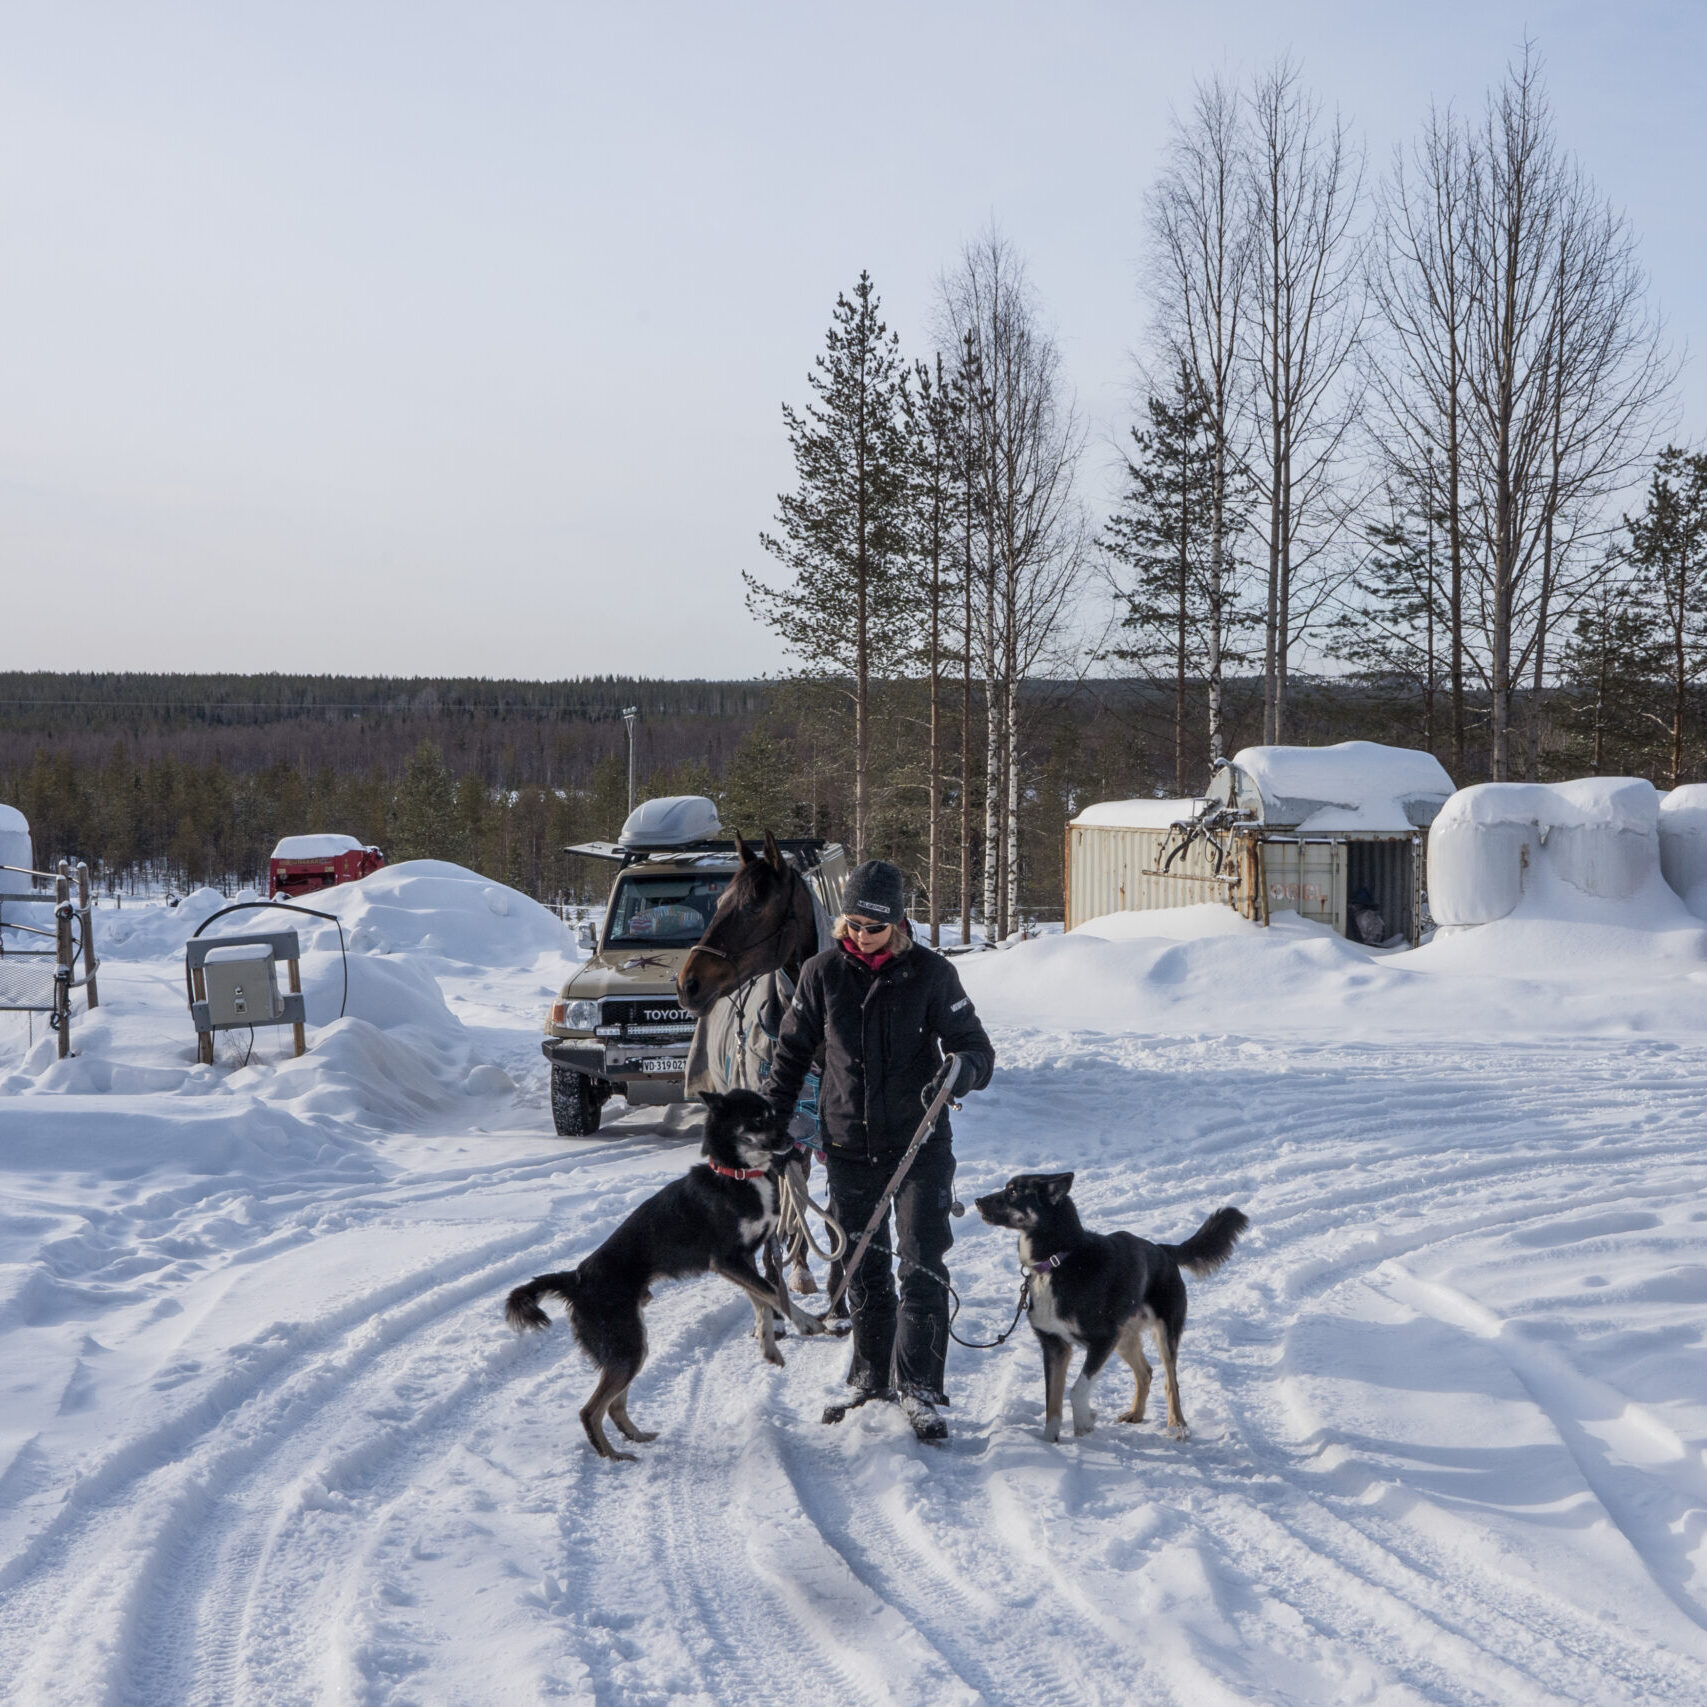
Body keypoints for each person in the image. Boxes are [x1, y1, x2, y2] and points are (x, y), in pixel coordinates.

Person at [766, 859, 994, 1442]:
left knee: (920, 1260)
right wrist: (772, 1123)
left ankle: (919, 1386)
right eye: (854, 923)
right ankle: (870, 1377)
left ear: (897, 925)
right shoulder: (821, 974)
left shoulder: (932, 974)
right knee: (863, 1263)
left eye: (875, 926)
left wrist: (961, 1069)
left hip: (919, 1144)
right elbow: (790, 1056)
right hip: (847, 1143)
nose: (862, 935)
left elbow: (975, 1047)